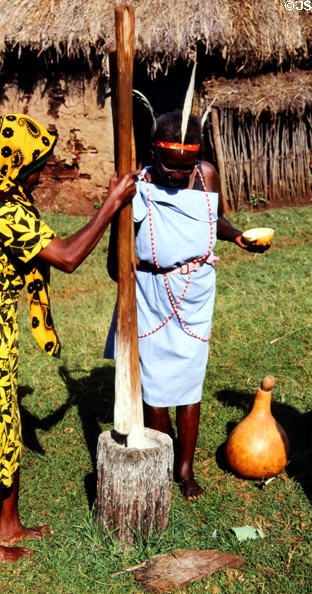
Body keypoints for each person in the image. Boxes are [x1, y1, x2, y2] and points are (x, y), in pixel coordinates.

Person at [0, 114, 138, 567]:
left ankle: (9, 525)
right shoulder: (4, 205)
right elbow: (68, 257)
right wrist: (111, 203)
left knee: (6, 424)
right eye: (36, 166)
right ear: (14, 163)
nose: (40, 175)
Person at [105, 108, 270, 500]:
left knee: (189, 382)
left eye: (186, 166)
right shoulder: (138, 185)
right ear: (153, 153)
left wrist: (237, 237)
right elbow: (116, 262)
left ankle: (185, 468)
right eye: (170, 167)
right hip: (150, 291)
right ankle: (163, 462)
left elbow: (214, 221)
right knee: (158, 385)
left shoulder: (206, 175)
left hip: (195, 290)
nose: (178, 176)